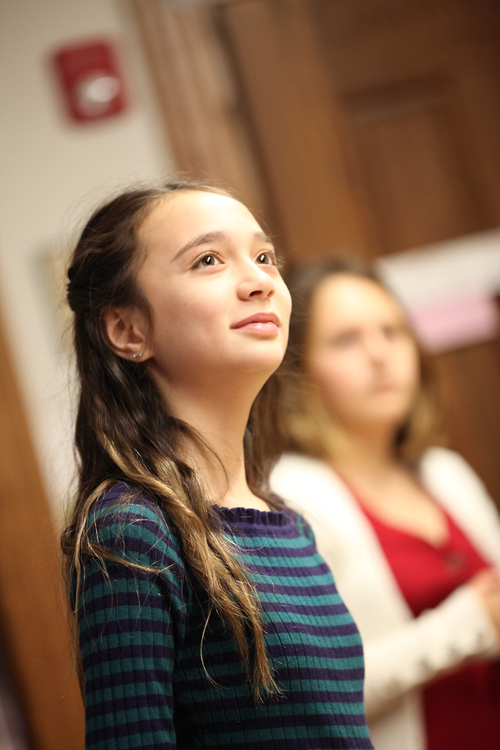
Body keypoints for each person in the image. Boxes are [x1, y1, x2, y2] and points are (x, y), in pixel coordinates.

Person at [62, 182, 374, 750]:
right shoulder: (132, 531)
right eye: (208, 260)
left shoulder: (288, 525)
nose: (259, 281)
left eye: (263, 257)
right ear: (128, 331)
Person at [270, 257, 500, 750]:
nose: (380, 355)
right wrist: (469, 626)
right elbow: (318, 690)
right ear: (299, 369)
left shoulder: (444, 470)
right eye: (346, 340)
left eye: (392, 332)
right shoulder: (291, 497)